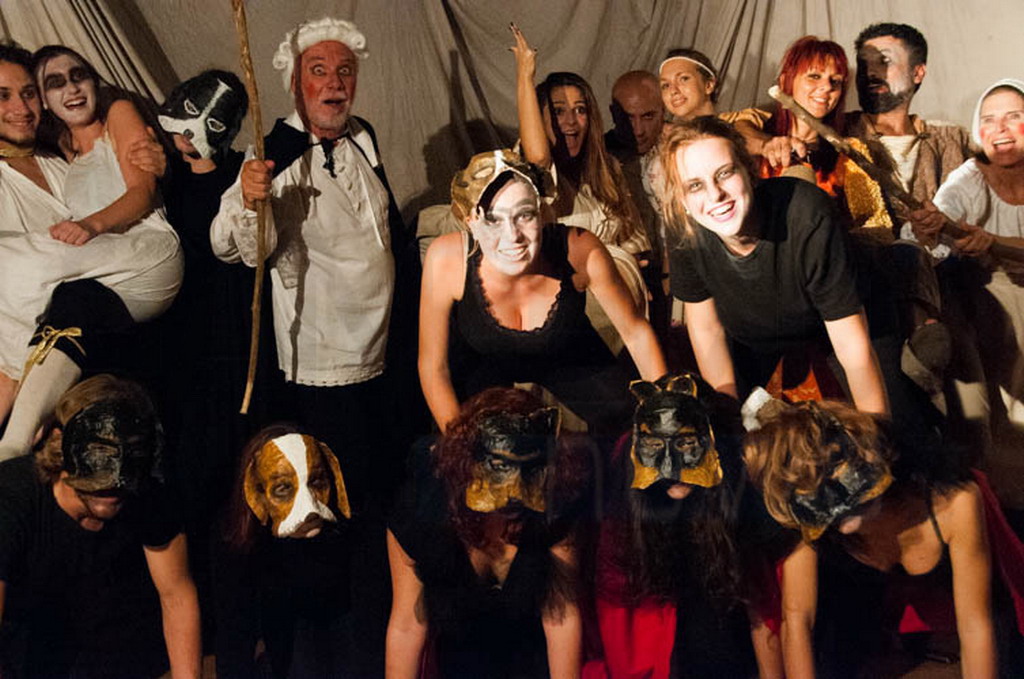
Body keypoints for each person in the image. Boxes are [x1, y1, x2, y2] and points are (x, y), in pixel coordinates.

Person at [210, 18, 414, 676]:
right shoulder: (272, 152)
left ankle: (366, 650)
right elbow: (234, 244)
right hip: (318, 369)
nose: (334, 83)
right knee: (312, 518)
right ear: (295, 84)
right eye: (318, 71)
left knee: (368, 514)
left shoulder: (363, 138)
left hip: (379, 363)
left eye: (343, 71)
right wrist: (250, 200)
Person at [744, 398, 1022, 679]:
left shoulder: (953, 503)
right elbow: (798, 619)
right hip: (864, 643)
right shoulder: (812, 523)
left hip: (966, 626)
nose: (836, 501)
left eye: (836, 471)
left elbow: (976, 627)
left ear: (872, 455)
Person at [0, 45, 181, 460]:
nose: (21, 108)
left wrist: (162, 165)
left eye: (27, 93)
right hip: (55, 344)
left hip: (132, 282)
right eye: (3, 96)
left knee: (27, 265)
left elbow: (137, 191)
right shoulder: (66, 150)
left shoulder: (64, 154)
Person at [418, 148, 667, 434]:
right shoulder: (446, 259)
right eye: (493, 220)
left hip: (565, 352)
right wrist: (460, 443)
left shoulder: (580, 250)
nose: (512, 236)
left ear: (542, 212)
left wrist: (668, 413)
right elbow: (433, 368)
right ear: (471, 221)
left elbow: (636, 334)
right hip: (484, 365)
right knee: (476, 444)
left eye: (524, 215)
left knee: (630, 425)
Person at [661, 116, 888, 414]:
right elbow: (707, 330)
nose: (715, 195)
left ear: (749, 171)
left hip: (842, 324)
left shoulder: (806, 214)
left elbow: (853, 348)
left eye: (725, 173)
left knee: (895, 428)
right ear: (682, 201)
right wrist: (728, 418)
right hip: (755, 338)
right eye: (695, 186)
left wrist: (875, 433)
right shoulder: (684, 230)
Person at [0, 374, 200, 678]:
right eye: (100, 456)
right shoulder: (11, 496)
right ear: (61, 445)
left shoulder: (147, 493)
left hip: (111, 651)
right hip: (24, 653)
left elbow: (176, 595)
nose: (113, 486)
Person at [590, 374, 785, 679]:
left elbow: (761, 605)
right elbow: (619, 621)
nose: (672, 466)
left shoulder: (736, 502)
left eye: (686, 444)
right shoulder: (627, 516)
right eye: (656, 445)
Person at [386, 387, 589, 678]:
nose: (514, 490)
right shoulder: (421, 514)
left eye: (528, 469)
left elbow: (561, 617)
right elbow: (407, 626)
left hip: (531, 664)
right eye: (500, 467)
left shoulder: (556, 506)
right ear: (467, 465)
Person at [912, 80, 1024, 443]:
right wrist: (931, 227)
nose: (1000, 129)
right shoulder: (970, 178)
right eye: (989, 120)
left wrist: (994, 241)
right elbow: (940, 217)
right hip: (986, 300)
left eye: (1013, 117)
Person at [214, 426, 353, 679]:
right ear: (255, 493)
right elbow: (233, 640)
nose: (309, 507)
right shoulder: (239, 550)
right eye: (283, 488)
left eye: (317, 482)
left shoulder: (343, 546)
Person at [510, 24, 649, 259]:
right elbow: (538, 158)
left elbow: (635, 241)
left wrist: (635, 264)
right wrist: (525, 77)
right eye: (558, 111)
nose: (571, 121)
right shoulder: (525, 173)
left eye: (580, 110)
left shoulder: (607, 168)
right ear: (539, 119)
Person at [739, 36, 892, 232]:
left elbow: (877, 227)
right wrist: (765, 146)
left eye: (835, 81)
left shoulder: (848, 154)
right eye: (814, 76)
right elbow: (735, 135)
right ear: (786, 82)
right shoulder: (754, 129)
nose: (827, 87)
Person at [606, 70, 672, 338]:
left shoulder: (682, 145)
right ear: (613, 114)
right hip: (627, 282)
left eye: (648, 116)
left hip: (681, 274)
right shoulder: (597, 158)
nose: (637, 130)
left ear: (664, 110)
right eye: (627, 118)